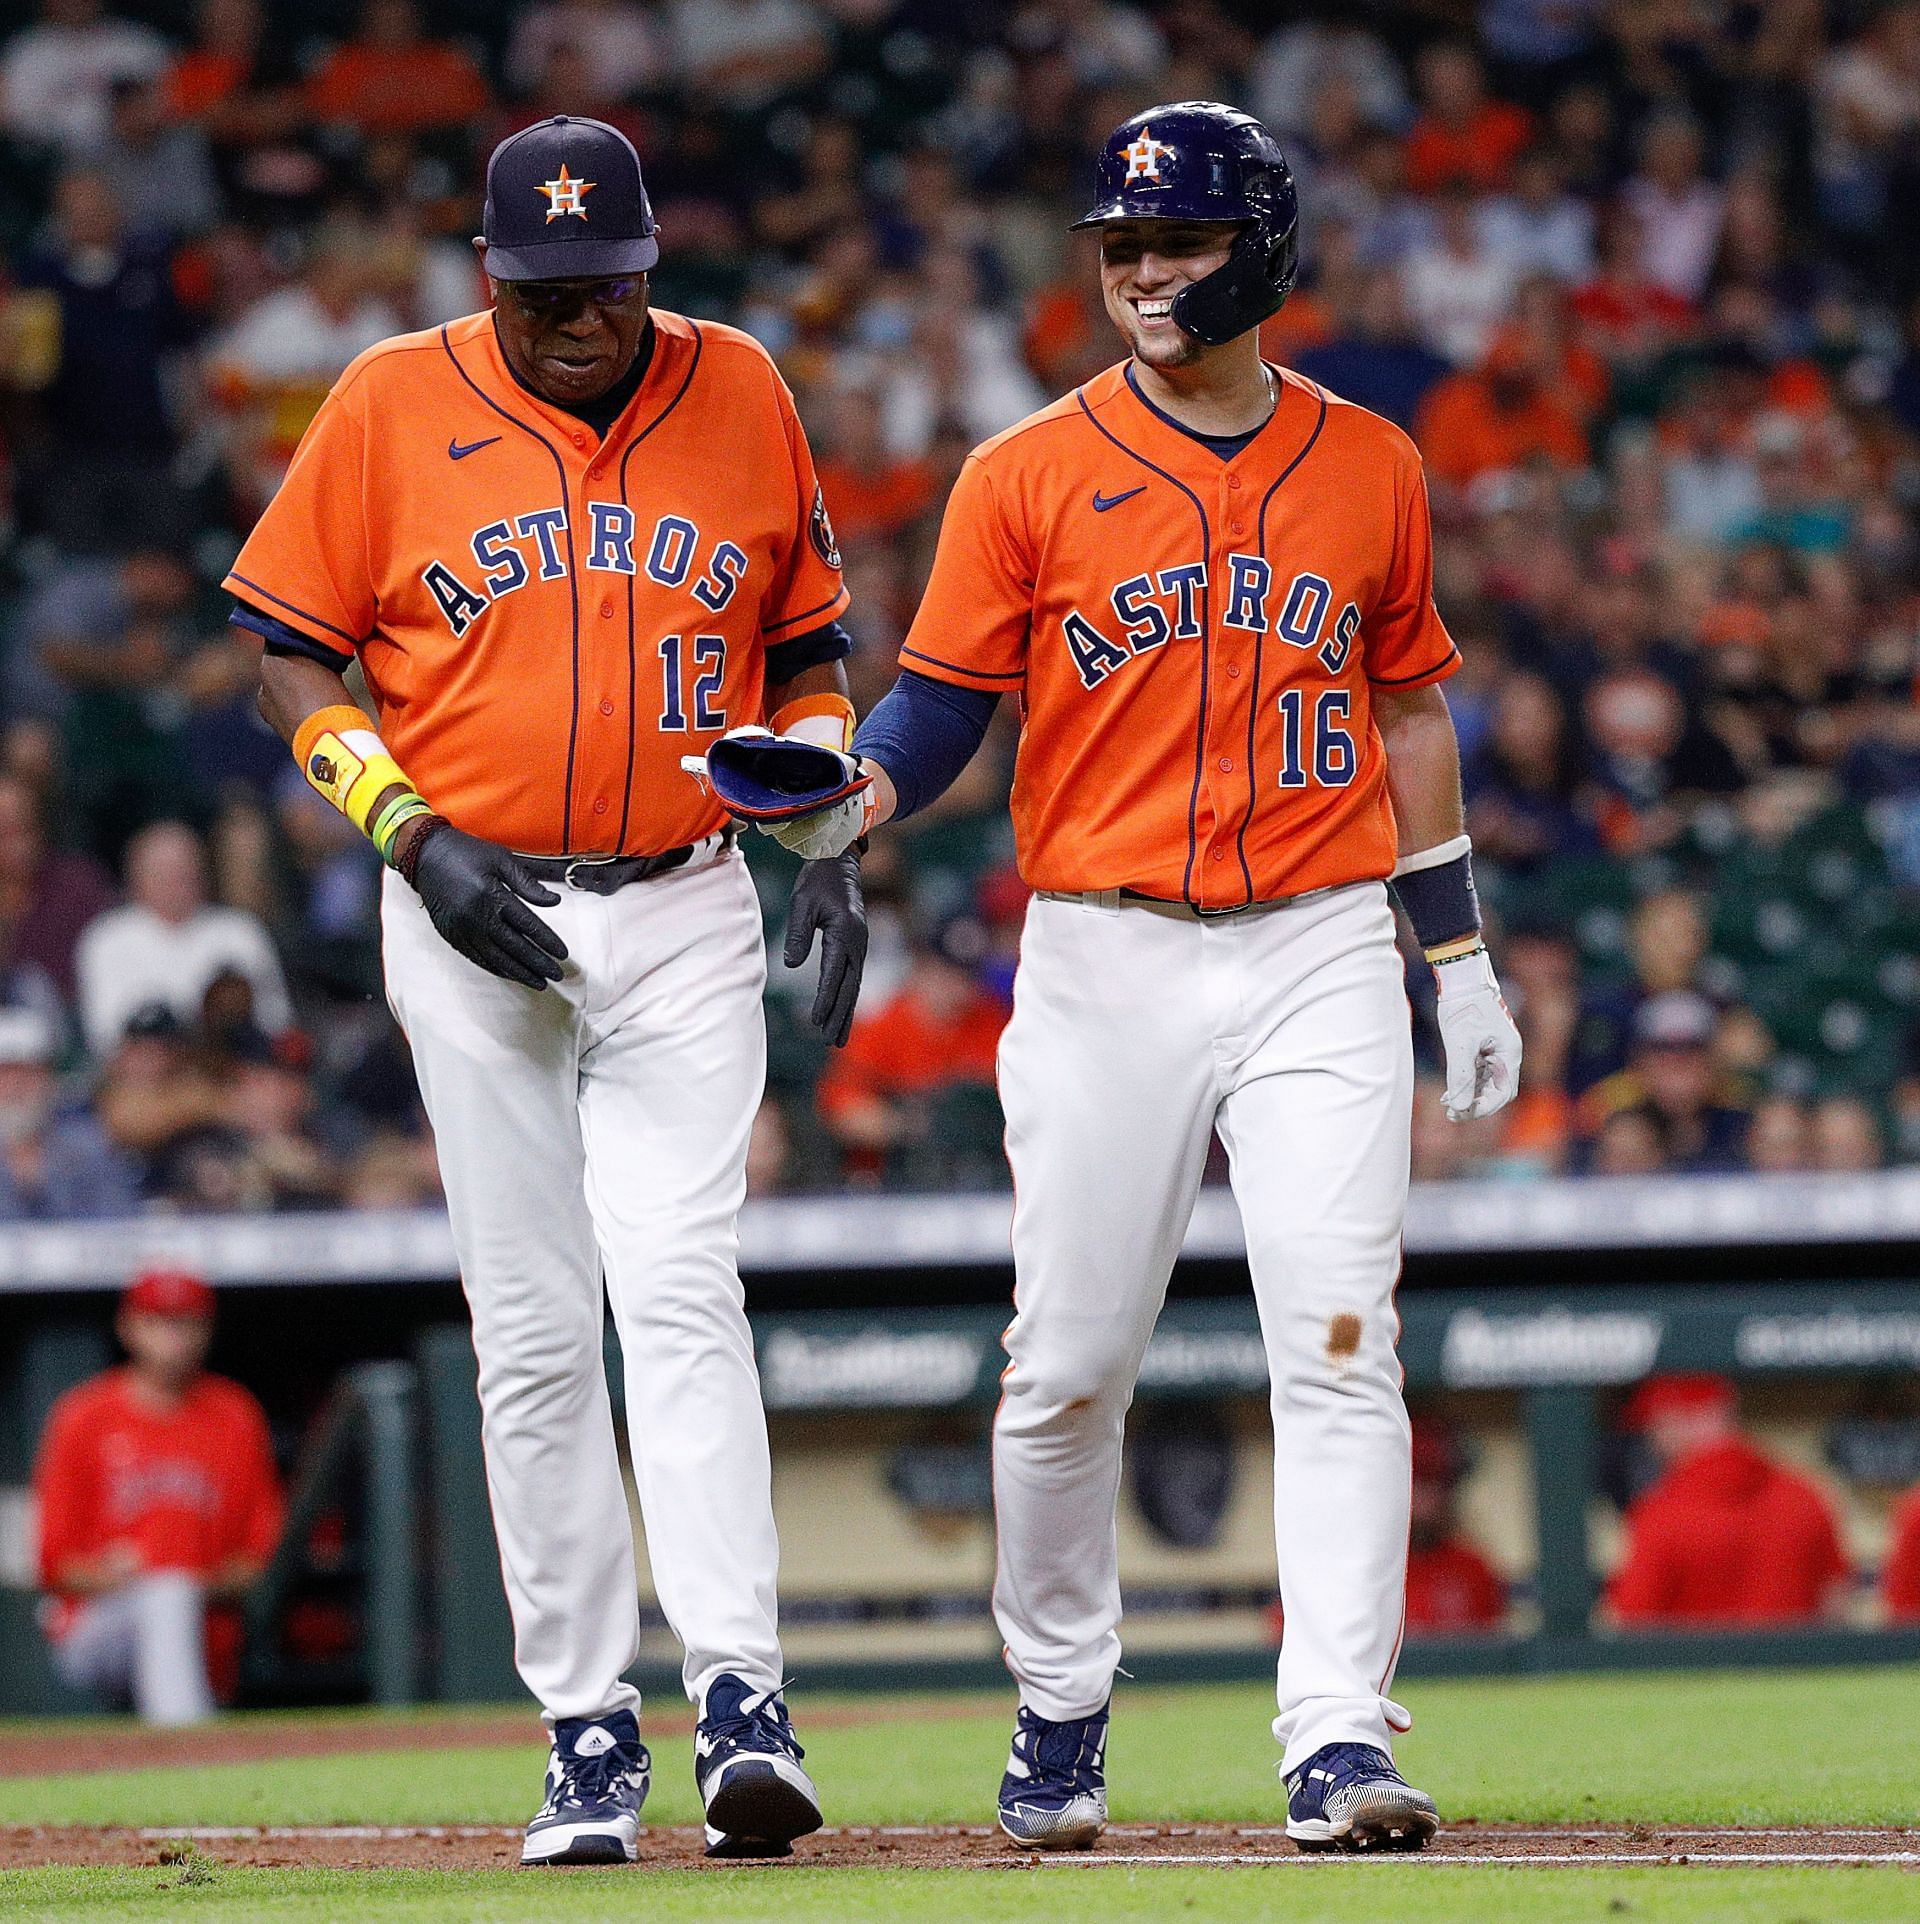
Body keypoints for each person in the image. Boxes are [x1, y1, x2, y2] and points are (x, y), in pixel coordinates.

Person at [742, 102, 1521, 1854]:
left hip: (1321, 934)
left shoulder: (1370, 462)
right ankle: (1061, 1694)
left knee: (1339, 1335)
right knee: (1067, 1364)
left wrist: (1454, 944)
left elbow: (1409, 704)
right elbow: (943, 701)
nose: (1140, 272)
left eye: (1170, 241)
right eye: (1119, 245)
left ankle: (1334, 1724)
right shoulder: (1024, 470)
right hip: (1099, 946)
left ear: (1259, 245)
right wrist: (856, 793)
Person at [227, 116, 861, 1866]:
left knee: (678, 1280)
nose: (580, 313)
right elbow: (288, 645)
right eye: (544, 286)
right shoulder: (384, 399)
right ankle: (587, 1723)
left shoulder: (740, 386)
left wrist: (825, 819)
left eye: (608, 281)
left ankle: (742, 1692)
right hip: (467, 903)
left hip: (680, 900)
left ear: (651, 263)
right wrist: (407, 832)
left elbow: (808, 645)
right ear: (488, 274)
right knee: (527, 1325)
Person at [32, 1269, 282, 1726]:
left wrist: (191, 1578)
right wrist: (130, 1576)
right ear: (128, 1326)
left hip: (204, 1619)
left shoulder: (234, 1414)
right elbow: (53, 1565)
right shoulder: (82, 1415)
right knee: (164, 1592)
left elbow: (259, 1558)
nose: (173, 1337)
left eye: (185, 1322)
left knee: (171, 1591)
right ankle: (188, 1749)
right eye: (158, 1321)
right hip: (98, 1625)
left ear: (206, 1330)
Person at [1608, 1374, 1849, 1627]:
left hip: (1695, 1666)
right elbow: (1837, 1606)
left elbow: (1633, 1625)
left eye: (1656, 1422)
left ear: (1678, 1420)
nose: (1652, 1438)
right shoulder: (1804, 1496)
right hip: (1796, 1666)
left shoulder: (1660, 1514)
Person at [75, 820, 291, 1061]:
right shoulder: (107, 938)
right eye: (163, 873)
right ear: (137, 878)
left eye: (185, 871)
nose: (176, 883)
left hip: (231, 1071)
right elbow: (104, 1036)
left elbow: (275, 1019)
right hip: (147, 1078)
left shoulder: (240, 931)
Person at [1403, 1420, 1506, 1634]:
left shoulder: (1472, 1567)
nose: (1423, 1498)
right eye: (1416, 1483)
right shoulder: (1368, 1566)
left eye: (1433, 1484)